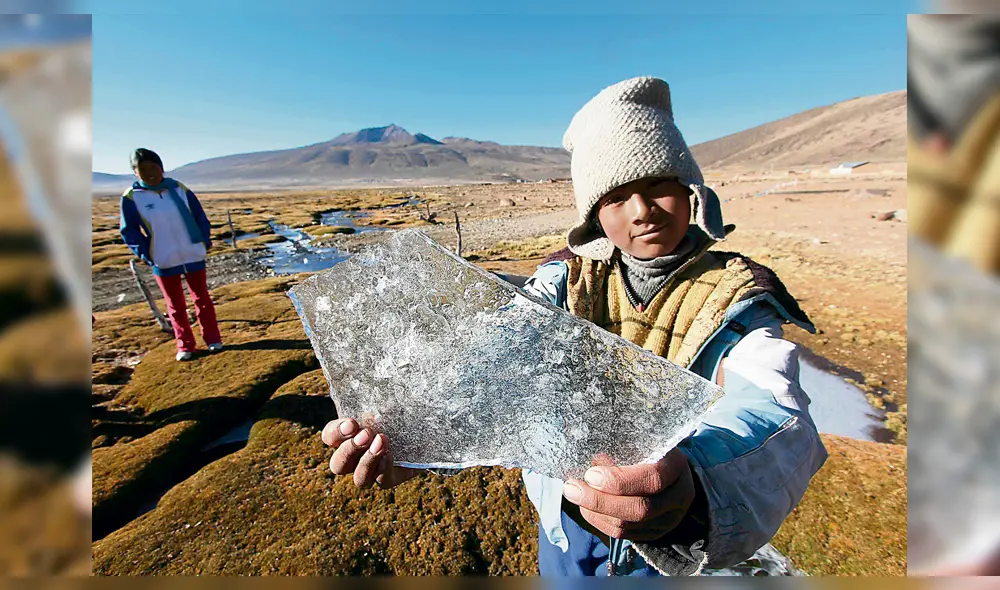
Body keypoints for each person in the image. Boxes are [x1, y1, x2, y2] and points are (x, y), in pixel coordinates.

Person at [320, 77, 827, 576]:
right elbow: (485, 363)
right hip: (564, 526)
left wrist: (696, 487)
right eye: (616, 197)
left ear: (691, 191)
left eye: (659, 185)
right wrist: (413, 439)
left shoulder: (737, 300)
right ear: (592, 216)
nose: (643, 210)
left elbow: (773, 410)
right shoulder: (561, 286)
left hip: (665, 543)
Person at [119, 148, 222, 362]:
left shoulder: (179, 189)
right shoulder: (132, 198)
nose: (149, 173)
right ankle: (185, 344)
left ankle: (213, 339)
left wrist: (204, 240)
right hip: (163, 257)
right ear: (135, 172)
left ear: (162, 168)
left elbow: (199, 216)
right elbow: (129, 231)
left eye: (153, 167)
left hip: (192, 252)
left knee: (202, 298)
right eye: (143, 169)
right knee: (175, 304)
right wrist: (147, 254)